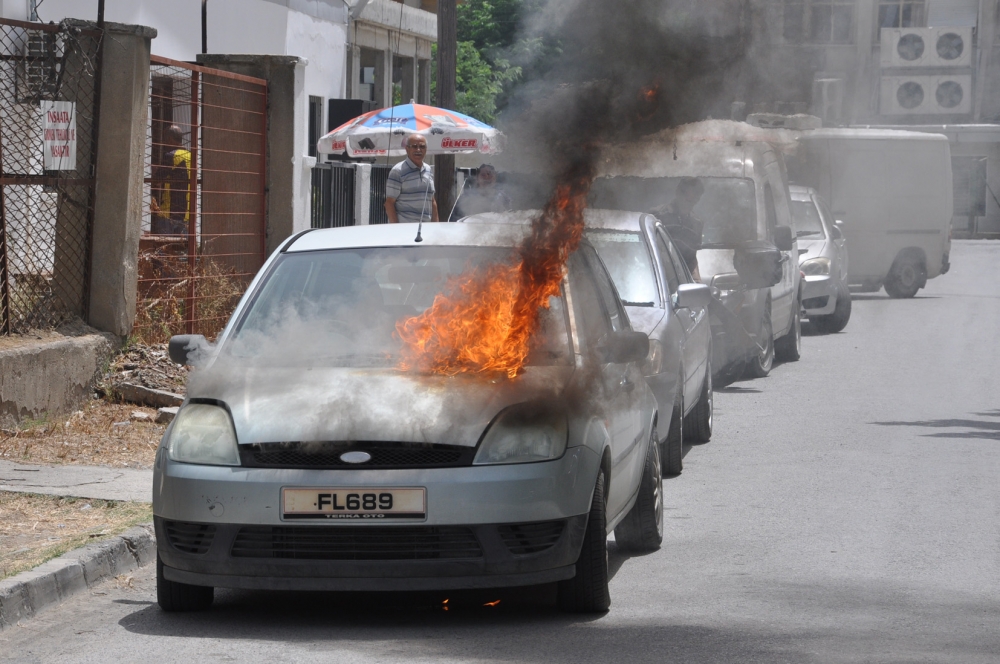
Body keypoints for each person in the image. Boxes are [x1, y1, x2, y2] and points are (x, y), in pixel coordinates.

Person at [651, 176, 705, 282]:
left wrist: (697, 280)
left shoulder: (697, 223)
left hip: (683, 280)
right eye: (688, 199)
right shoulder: (657, 215)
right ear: (678, 193)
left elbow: (692, 258)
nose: (692, 202)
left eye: (695, 199)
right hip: (658, 278)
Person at [385, 134, 439, 224]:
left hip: (426, 228)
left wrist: (435, 226)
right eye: (414, 146)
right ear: (407, 149)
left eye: (422, 146)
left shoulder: (428, 169)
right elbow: (389, 203)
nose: (418, 150)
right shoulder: (398, 171)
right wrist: (396, 228)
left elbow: (432, 200)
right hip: (405, 228)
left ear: (426, 149)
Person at [151, 125, 192, 235]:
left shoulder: (171, 156)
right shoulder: (191, 156)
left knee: (164, 245)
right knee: (182, 245)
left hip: (169, 213)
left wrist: (153, 169)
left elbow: (157, 180)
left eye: (165, 139)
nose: (164, 143)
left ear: (169, 139)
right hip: (187, 214)